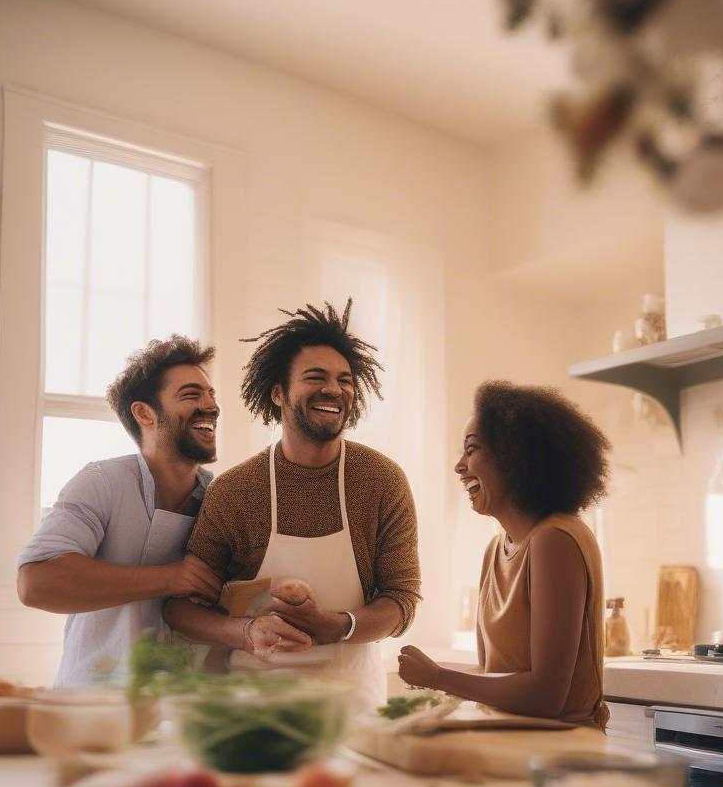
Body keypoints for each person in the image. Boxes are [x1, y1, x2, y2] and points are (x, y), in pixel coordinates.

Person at [165, 300, 421, 714]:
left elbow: (402, 599)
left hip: (352, 706)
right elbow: (180, 609)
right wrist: (246, 632)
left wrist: (339, 626)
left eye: (345, 380)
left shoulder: (381, 481)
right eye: (315, 377)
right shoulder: (236, 490)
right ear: (278, 393)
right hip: (254, 707)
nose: (334, 390)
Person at [397, 380, 611, 728]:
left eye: (471, 449)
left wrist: (438, 678)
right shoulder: (497, 548)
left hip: (560, 755)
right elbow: (497, 675)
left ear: (516, 456)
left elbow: (546, 695)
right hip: (513, 742)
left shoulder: (554, 540)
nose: (459, 467)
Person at [17, 336, 223, 686]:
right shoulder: (102, 482)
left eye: (211, 395)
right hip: (91, 706)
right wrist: (173, 577)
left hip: (183, 709)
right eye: (191, 395)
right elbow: (36, 583)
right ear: (144, 413)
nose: (211, 406)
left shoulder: (220, 497)